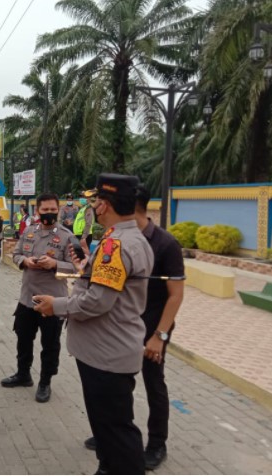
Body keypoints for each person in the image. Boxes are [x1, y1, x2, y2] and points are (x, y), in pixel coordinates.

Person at [34, 173, 154, 475]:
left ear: (104, 205)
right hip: (109, 352)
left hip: (106, 356)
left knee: (117, 431)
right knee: (108, 431)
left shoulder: (116, 245)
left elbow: (96, 302)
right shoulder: (129, 239)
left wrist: (56, 305)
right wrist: (85, 267)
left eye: (97, 201)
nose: (95, 207)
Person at [83, 185, 185, 471]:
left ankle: (156, 443)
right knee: (117, 385)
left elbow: (176, 294)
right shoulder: (116, 237)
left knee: (154, 384)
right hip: (121, 328)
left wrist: (159, 336)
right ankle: (112, 434)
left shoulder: (164, 243)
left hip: (152, 326)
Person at [1, 193, 75, 402]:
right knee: (23, 339)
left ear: (58, 211)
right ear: (37, 211)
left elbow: (76, 268)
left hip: (53, 302)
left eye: (53, 210)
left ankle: (45, 382)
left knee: (50, 345)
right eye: (45, 210)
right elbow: (15, 254)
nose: (49, 214)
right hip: (27, 298)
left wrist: (55, 265)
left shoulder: (67, 236)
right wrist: (25, 260)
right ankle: (23, 374)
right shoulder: (29, 232)